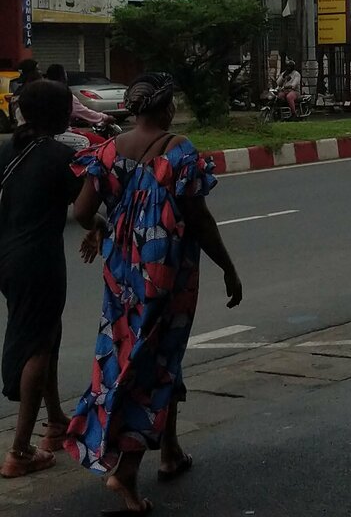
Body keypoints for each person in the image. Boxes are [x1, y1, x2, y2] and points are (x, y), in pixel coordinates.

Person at [66, 72, 243, 515]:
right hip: (169, 277)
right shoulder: (179, 151)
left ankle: (170, 451)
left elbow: (83, 211)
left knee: (132, 356)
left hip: (120, 279)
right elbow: (199, 220)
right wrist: (229, 268)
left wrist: (107, 228)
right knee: (155, 365)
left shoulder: (105, 151)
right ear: (166, 108)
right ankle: (125, 470)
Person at [0, 80, 89, 478]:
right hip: (39, 258)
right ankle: (19, 450)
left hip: (7, 257)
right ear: (61, 114)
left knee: (47, 332)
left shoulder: (7, 149)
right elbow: (84, 210)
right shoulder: (59, 156)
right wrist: (101, 224)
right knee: (38, 343)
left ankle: (55, 422)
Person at [44, 65, 109, 127]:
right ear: (63, 77)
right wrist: (105, 117)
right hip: (61, 132)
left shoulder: (42, 92)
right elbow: (85, 113)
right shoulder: (64, 95)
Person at [9, 60, 41, 127]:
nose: (40, 72)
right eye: (37, 69)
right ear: (31, 73)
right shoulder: (24, 93)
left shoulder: (19, 92)